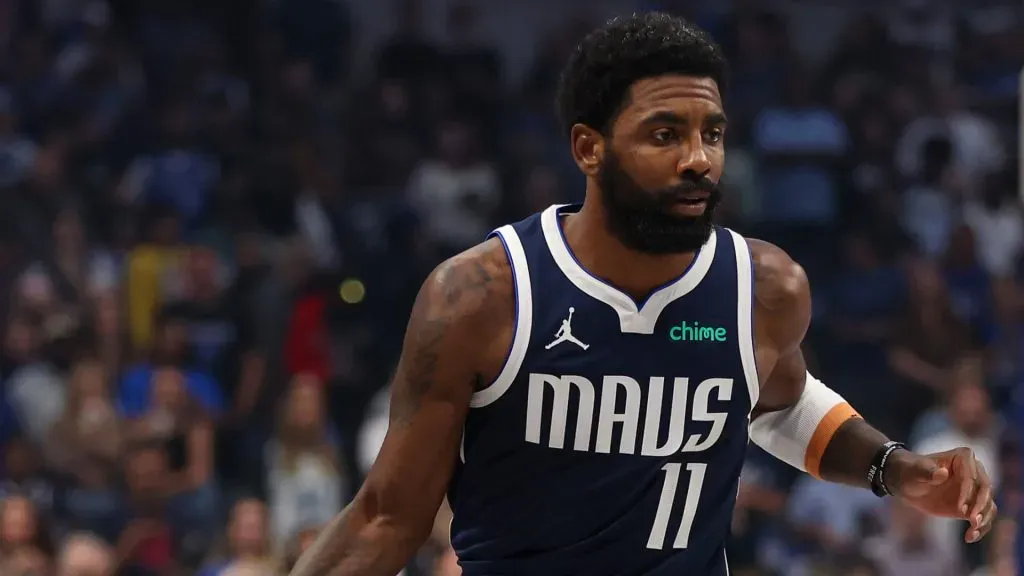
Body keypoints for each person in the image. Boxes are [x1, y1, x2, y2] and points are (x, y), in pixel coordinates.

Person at [290, 12, 997, 576]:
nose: (699, 158)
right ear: (588, 148)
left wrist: (893, 466)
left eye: (712, 133)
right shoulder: (481, 296)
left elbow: (778, 402)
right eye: (666, 134)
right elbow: (387, 518)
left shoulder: (765, 286)